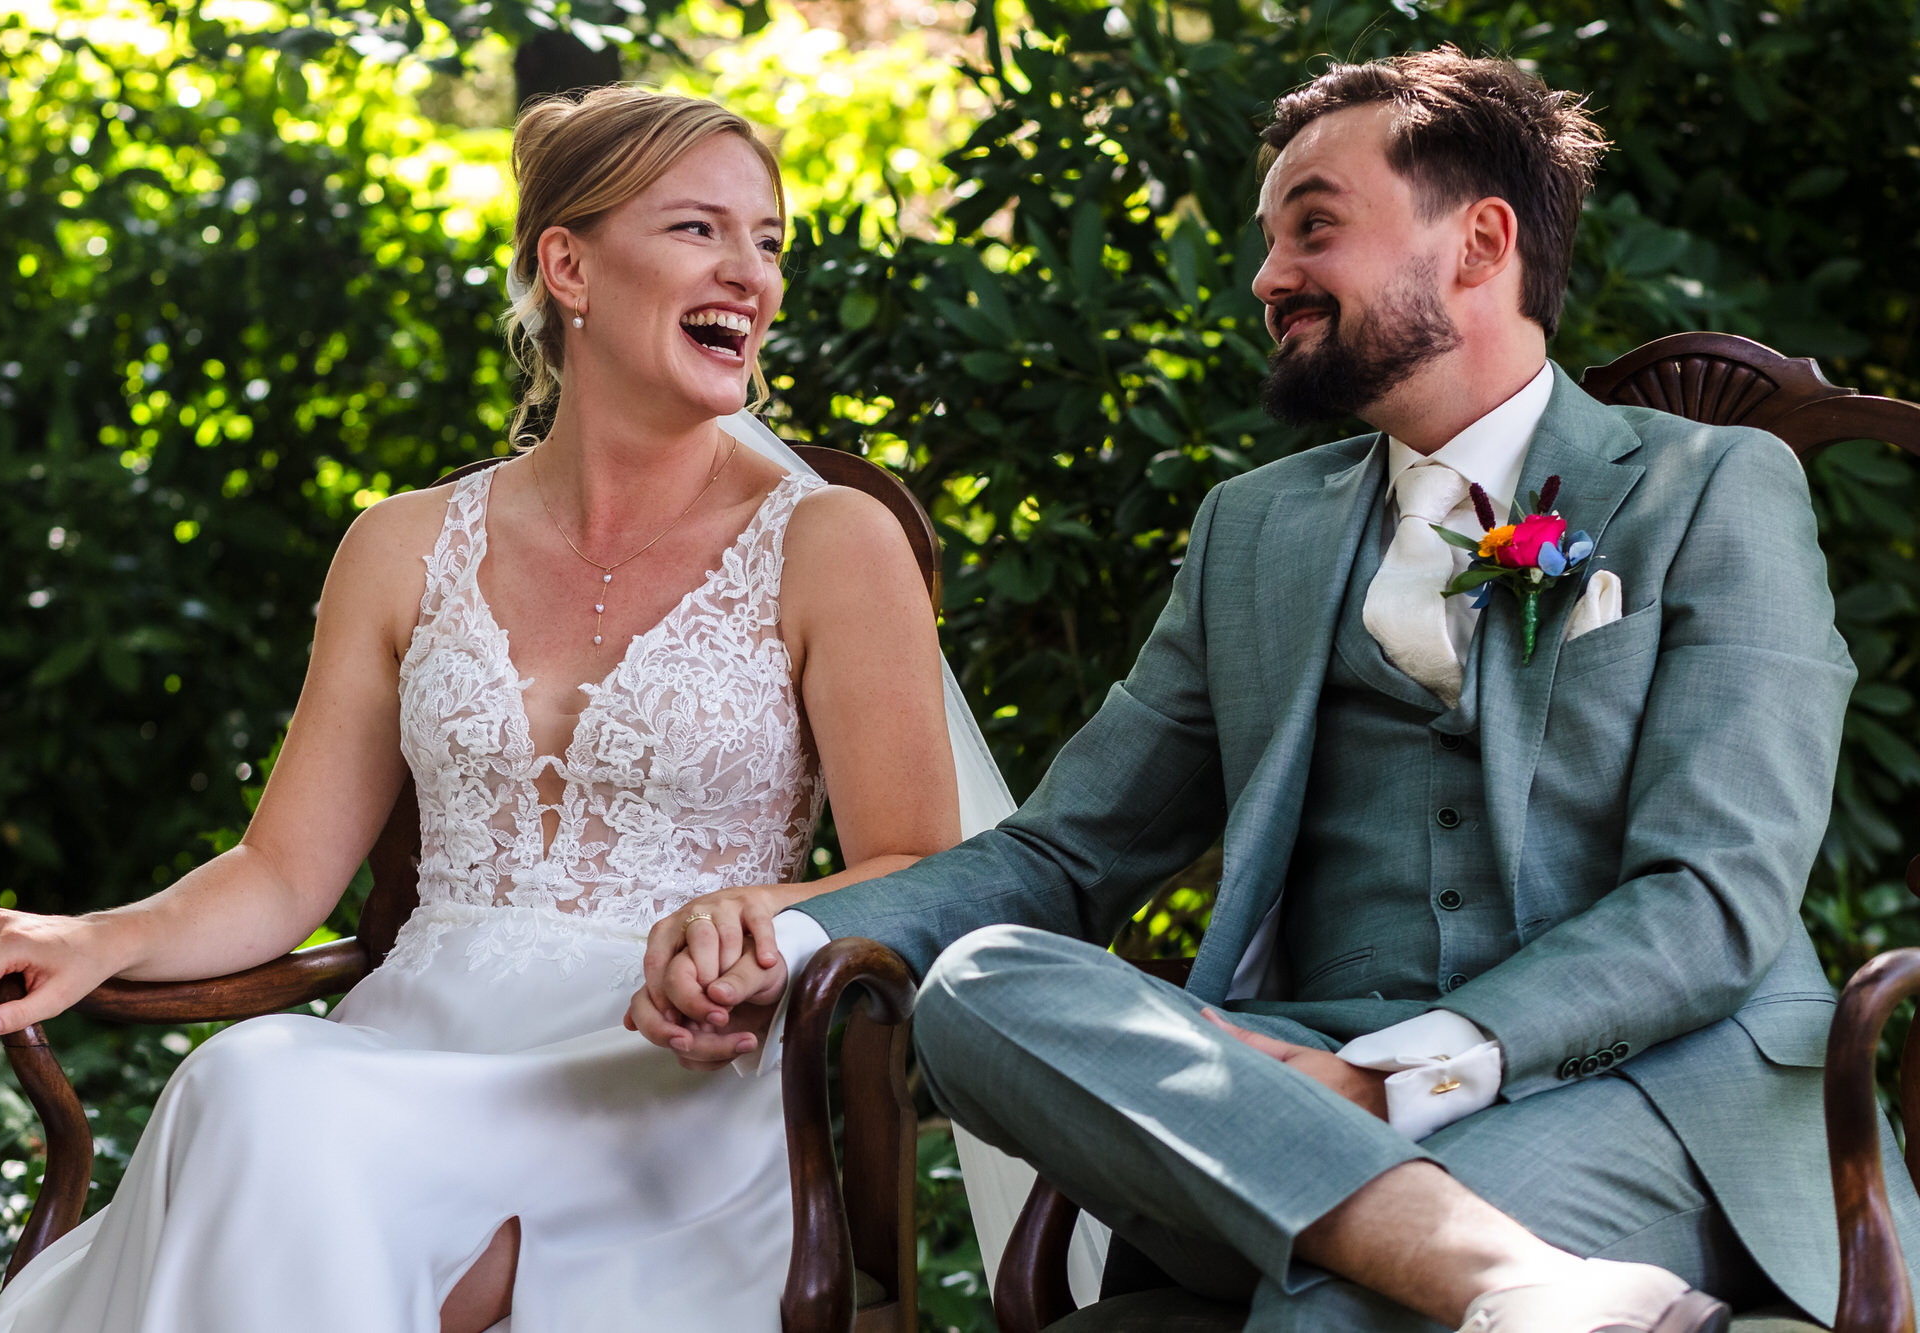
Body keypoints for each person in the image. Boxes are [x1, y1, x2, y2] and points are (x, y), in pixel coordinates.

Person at [633, 48, 1920, 1333]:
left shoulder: (1711, 487)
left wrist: (1386, 1079)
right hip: (1275, 1083)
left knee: (1328, 1314)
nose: (1265, 278)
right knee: (981, 986)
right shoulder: (1252, 531)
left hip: (1650, 1090)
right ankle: (1505, 1281)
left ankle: (1439, 1253)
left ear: (1478, 244)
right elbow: (1062, 851)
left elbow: (1710, 898)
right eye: (1266, 242)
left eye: (1312, 228)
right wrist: (785, 937)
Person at [0, 87, 968, 1333]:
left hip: (667, 1075)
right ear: (567, 265)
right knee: (257, 1084)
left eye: (768, 240)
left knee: (267, 1106)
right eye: (701, 231)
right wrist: (102, 934)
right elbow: (280, 870)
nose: (748, 274)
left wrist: (748, 919)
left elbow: (921, 869)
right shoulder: (399, 544)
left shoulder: (832, 544)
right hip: (406, 1046)